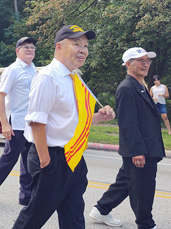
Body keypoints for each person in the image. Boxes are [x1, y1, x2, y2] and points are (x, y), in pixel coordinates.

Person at [12, 25, 115, 229]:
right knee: (34, 216)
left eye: (85, 45)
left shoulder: (75, 78)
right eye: (76, 44)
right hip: (51, 157)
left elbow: (74, 118)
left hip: (73, 156)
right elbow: (36, 121)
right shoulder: (48, 76)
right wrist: (46, 162)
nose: (83, 50)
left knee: (74, 215)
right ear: (59, 47)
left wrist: (101, 117)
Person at [89, 47, 165, 229]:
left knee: (126, 182)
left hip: (147, 146)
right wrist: (137, 151)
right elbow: (128, 123)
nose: (146, 64)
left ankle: (101, 209)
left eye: (147, 60)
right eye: (141, 60)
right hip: (141, 149)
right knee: (143, 188)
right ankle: (145, 224)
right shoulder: (127, 87)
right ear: (128, 64)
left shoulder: (140, 84)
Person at [0, 37, 37, 207]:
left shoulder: (33, 69)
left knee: (28, 160)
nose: (30, 50)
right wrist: (5, 123)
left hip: (29, 123)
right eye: (26, 47)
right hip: (16, 122)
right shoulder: (12, 70)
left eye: (32, 47)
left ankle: (26, 195)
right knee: (9, 158)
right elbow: (0, 97)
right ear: (17, 51)